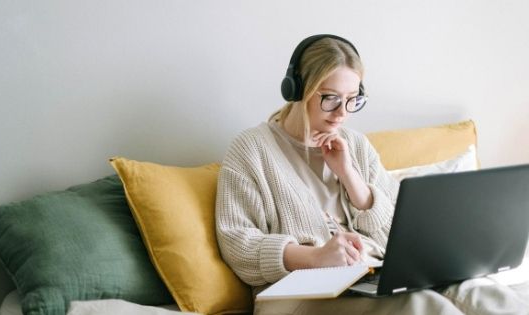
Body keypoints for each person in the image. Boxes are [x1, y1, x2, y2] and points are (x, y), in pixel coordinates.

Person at [215, 34, 529, 315]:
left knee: (479, 292)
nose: (342, 113)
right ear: (297, 90)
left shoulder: (354, 144)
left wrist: (351, 177)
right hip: (296, 294)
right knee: (425, 307)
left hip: (369, 275)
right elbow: (238, 245)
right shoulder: (251, 150)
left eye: (353, 100)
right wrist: (316, 257)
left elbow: (398, 235)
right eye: (330, 98)